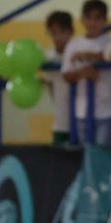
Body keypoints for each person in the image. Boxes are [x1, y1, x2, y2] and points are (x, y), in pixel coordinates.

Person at [61, 0, 111, 143]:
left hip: (106, 109)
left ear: (105, 20)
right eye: (88, 18)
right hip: (81, 110)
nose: (92, 23)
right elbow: (66, 74)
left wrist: (90, 56)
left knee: (101, 151)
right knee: (86, 150)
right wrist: (83, 74)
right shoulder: (74, 44)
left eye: (97, 18)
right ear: (82, 19)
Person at [41, 10, 74, 144]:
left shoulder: (78, 52)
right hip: (60, 121)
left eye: (62, 32)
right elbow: (49, 84)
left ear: (70, 32)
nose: (58, 37)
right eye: (54, 33)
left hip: (80, 119)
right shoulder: (48, 56)